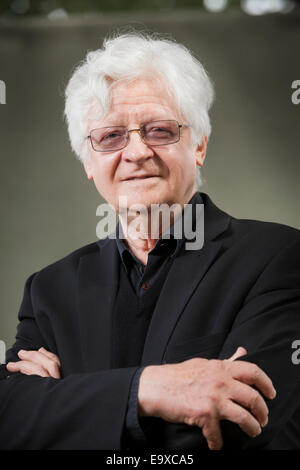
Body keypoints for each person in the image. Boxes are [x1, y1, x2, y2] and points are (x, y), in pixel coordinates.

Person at [1, 32, 300, 451]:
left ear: (198, 144)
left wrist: (64, 402)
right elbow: (8, 419)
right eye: (110, 136)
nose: (137, 151)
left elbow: (235, 428)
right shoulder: (49, 290)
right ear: (90, 163)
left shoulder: (280, 257)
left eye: (159, 130)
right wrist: (150, 389)